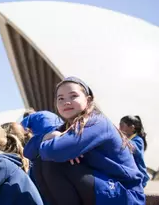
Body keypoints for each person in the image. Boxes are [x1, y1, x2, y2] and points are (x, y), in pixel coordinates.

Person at [32, 76, 145, 205]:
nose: (66, 102)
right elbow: (29, 151)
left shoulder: (97, 122)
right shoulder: (64, 128)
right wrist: (48, 138)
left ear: (88, 99)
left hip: (124, 194)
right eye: (60, 98)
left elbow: (55, 151)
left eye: (73, 96)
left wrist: (60, 147)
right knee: (41, 161)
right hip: (101, 188)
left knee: (53, 161)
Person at [120, 115, 150, 187]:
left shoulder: (138, 140)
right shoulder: (128, 139)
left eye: (122, 125)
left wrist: (120, 136)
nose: (119, 128)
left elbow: (131, 147)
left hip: (139, 177)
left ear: (132, 128)